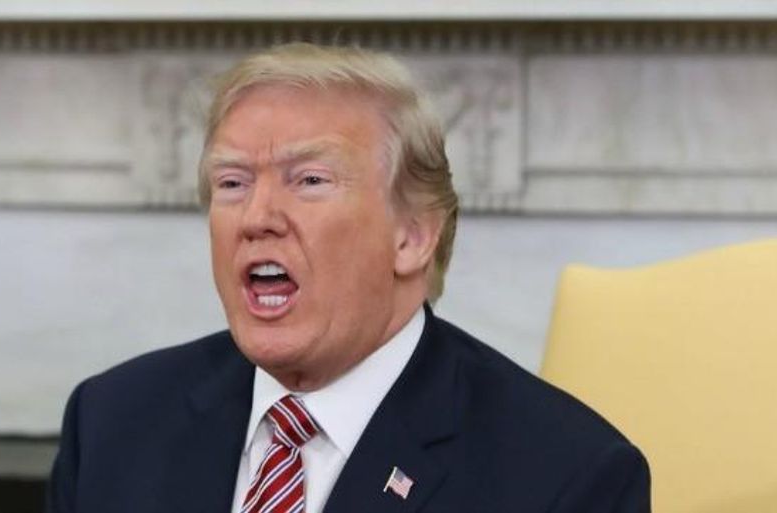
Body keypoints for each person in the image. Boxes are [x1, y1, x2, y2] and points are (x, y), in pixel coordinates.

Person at [48, 43, 650, 513]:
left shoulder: (565, 476)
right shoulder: (111, 422)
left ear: (413, 235)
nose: (257, 218)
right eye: (232, 183)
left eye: (309, 180)